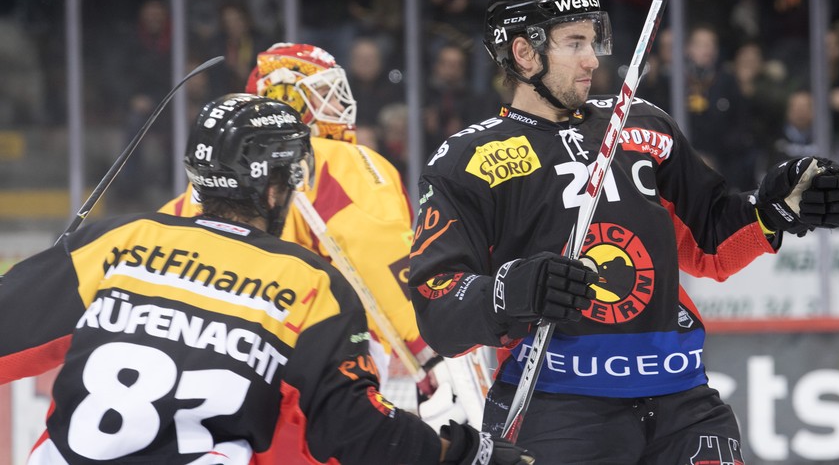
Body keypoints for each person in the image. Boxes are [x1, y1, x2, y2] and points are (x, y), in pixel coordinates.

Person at [407, 0, 839, 463]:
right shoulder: (468, 159)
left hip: (682, 402)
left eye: (593, 38)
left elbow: (710, 242)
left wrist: (773, 210)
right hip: (556, 407)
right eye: (574, 42)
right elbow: (437, 304)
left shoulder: (642, 123)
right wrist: (511, 289)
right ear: (524, 53)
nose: (591, 57)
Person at [0, 94, 533, 465]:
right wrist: (461, 452)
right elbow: (354, 430)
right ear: (275, 190)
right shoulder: (308, 282)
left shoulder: (117, 241)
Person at [159, 43, 475, 461]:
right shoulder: (343, 159)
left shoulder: (197, 191)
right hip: (315, 372)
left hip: (205, 369)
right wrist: (431, 351)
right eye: (324, 93)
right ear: (285, 97)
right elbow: (375, 251)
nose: (338, 105)